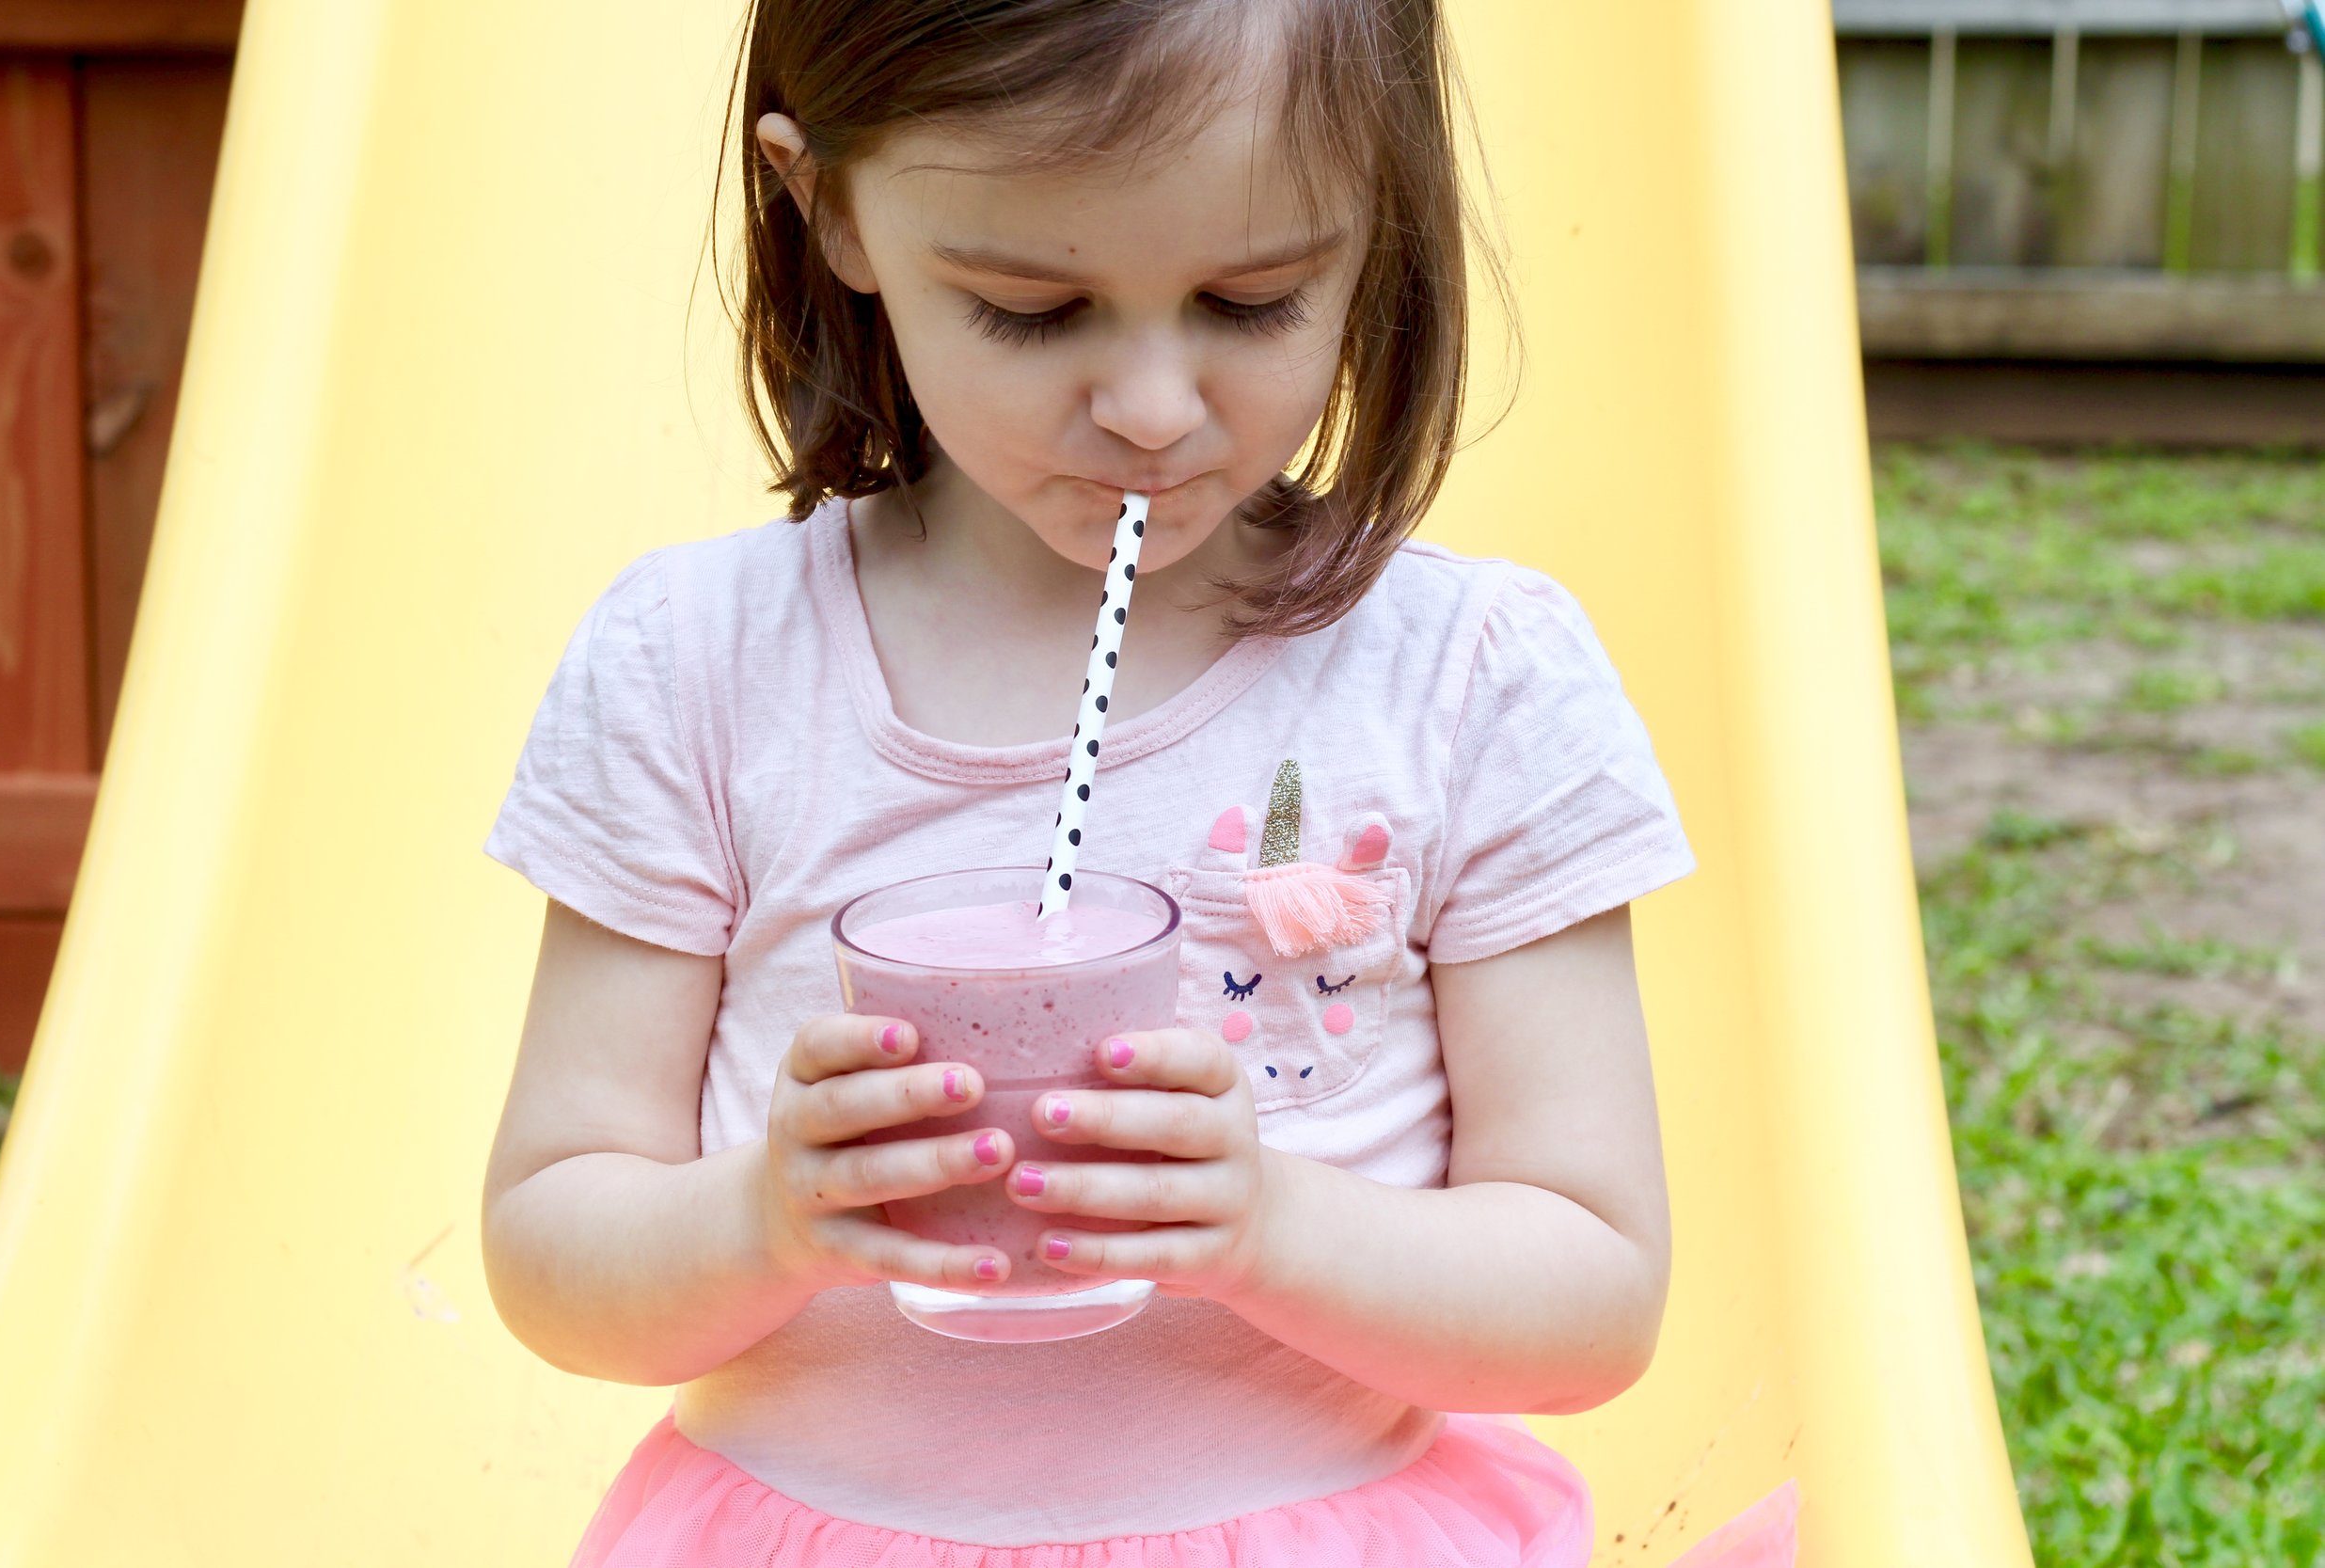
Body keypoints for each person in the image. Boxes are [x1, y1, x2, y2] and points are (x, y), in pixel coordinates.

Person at [479, 2, 1795, 1563]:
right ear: (829, 203)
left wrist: (1267, 1226)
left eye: (1253, 300)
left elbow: (1589, 1299)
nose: (1156, 410)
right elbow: (552, 1245)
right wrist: (765, 1214)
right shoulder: (699, 670)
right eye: (1033, 310)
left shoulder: (1470, 681)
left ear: (1373, 222)